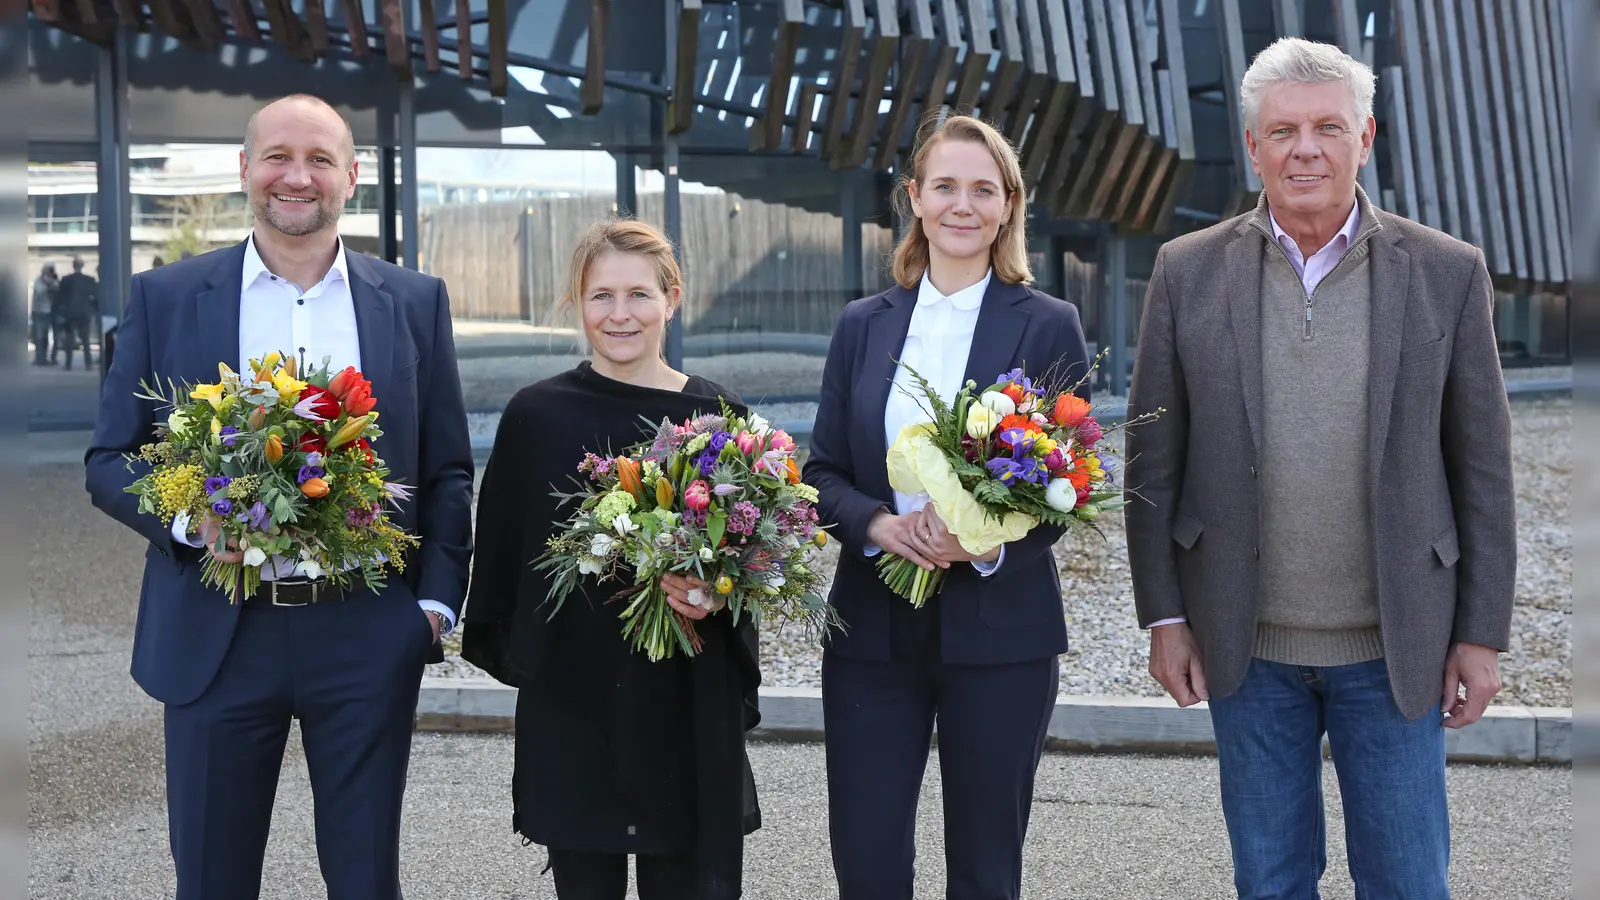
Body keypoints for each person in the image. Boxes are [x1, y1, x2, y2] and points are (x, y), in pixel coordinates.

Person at [1124, 38, 1515, 900]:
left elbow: (1482, 469)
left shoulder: (1446, 272)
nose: (1307, 148)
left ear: (1365, 138)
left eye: (1328, 128)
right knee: (1269, 881)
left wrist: (1481, 634)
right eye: (1285, 130)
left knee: (1408, 882)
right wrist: (1165, 616)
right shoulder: (1186, 271)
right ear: (1255, 145)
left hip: (1395, 644)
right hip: (1245, 645)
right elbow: (1152, 458)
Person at [84, 93, 475, 899]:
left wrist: (432, 609)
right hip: (214, 634)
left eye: (321, 159)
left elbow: (446, 470)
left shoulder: (413, 301)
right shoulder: (167, 297)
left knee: (367, 881)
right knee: (213, 881)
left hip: (365, 630)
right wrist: (193, 521)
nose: (297, 177)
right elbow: (109, 458)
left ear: (353, 177)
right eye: (277, 156)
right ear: (245, 169)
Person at [801, 113, 1090, 900]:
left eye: (983, 190)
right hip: (872, 626)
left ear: (1008, 206)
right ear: (915, 200)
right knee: (866, 861)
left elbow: (1069, 486)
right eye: (945, 187)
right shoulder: (863, 326)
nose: (963, 205)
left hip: (1002, 635)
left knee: (986, 868)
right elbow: (820, 470)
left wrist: (983, 545)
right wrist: (877, 525)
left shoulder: (1049, 323)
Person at [460, 219, 761, 900]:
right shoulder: (534, 415)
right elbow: (503, 560)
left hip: (685, 699)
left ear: (672, 299)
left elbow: (752, 566)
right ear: (577, 302)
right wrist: (537, 660)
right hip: (576, 702)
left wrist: (715, 594)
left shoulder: (718, 417)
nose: (619, 315)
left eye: (638, 295)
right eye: (600, 296)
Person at [57, 255, 98, 371]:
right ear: (83, 266)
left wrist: (61, 312)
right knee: (85, 339)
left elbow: (60, 297)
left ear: (73, 266)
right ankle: (88, 363)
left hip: (70, 313)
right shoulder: (90, 280)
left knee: (69, 339)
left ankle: (68, 363)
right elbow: (95, 297)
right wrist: (93, 310)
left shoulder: (66, 280)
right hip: (84, 313)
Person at [31, 262, 57, 365]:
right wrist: (47, 283)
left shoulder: (54, 281)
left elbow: (57, 290)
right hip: (38, 311)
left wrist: (52, 283)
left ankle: (44, 357)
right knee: (38, 335)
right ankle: (39, 357)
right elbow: (39, 292)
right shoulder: (39, 280)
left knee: (45, 336)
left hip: (48, 311)